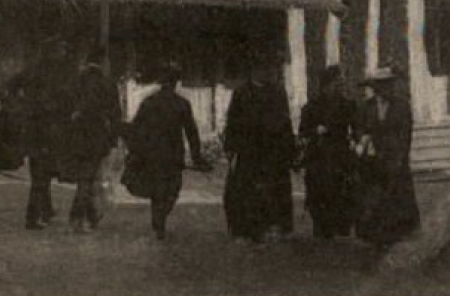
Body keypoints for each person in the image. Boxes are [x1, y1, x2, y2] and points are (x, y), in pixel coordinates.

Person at [123, 63, 205, 239]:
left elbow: (136, 128)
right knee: (172, 190)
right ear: (175, 82)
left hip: (153, 154)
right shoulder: (181, 104)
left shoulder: (149, 102)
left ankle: (158, 220)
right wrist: (197, 156)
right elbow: (191, 132)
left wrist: (134, 149)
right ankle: (160, 220)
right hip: (172, 155)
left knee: (158, 189)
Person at [223, 60, 296, 242]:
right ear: (253, 71)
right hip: (249, 149)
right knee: (246, 190)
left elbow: (286, 122)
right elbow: (232, 121)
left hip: (272, 149)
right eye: (261, 68)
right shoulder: (241, 92)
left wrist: (290, 150)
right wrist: (230, 147)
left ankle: (272, 226)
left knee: (273, 189)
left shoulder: (278, 92)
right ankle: (245, 229)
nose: (265, 72)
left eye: (267, 69)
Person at [354, 67, 419, 250]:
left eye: (389, 85)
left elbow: (405, 135)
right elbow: (360, 129)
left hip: (395, 160)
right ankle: (376, 239)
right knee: (375, 200)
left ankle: (397, 238)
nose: (386, 89)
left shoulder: (402, 106)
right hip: (373, 162)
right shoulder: (367, 107)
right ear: (375, 88)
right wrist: (362, 140)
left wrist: (399, 159)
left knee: (396, 200)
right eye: (381, 86)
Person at [59, 50, 120, 233]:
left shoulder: (74, 82)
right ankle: (77, 218)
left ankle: (91, 216)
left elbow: (64, 107)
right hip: (96, 136)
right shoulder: (107, 84)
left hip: (75, 135)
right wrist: (113, 139)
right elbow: (115, 114)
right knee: (88, 178)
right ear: (103, 62)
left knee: (86, 176)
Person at [300, 65, 360, 239]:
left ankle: (342, 229)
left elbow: (357, 129)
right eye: (336, 83)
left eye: (341, 83)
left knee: (343, 193)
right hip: (318, 157)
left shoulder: (348, 105)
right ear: (325, 85)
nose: (340, 87)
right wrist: (315, 131)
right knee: (319, 194)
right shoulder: (311, 107)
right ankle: (322, 229)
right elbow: (303, 132)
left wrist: (358, 141)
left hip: (340, 155)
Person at [23, 50, 71, 230]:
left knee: (41, 178)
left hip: (37, 142)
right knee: (40, 180)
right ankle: (33, 217)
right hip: (44, 143)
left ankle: (45, 210)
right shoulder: (46, 101)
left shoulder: (34, 90)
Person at [0, 73, 28, 175]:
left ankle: (11, 163)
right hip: (7, 130)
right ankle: (7, 163)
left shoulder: (17, 104)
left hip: (14, 129)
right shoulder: (10, 105)